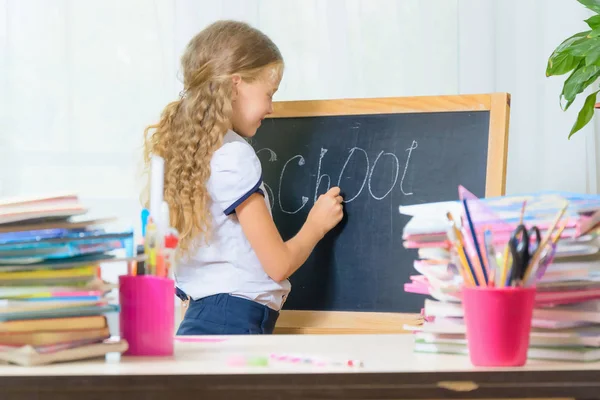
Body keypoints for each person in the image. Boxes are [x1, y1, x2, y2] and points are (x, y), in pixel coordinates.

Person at [142, 20, 344, 335]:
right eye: (269, 93)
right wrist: (317, 225)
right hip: (233, 320)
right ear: (236, 85)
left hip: (200, 316)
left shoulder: (192, 152)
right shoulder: (234, 156)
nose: (272, 107)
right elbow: (277, 265)